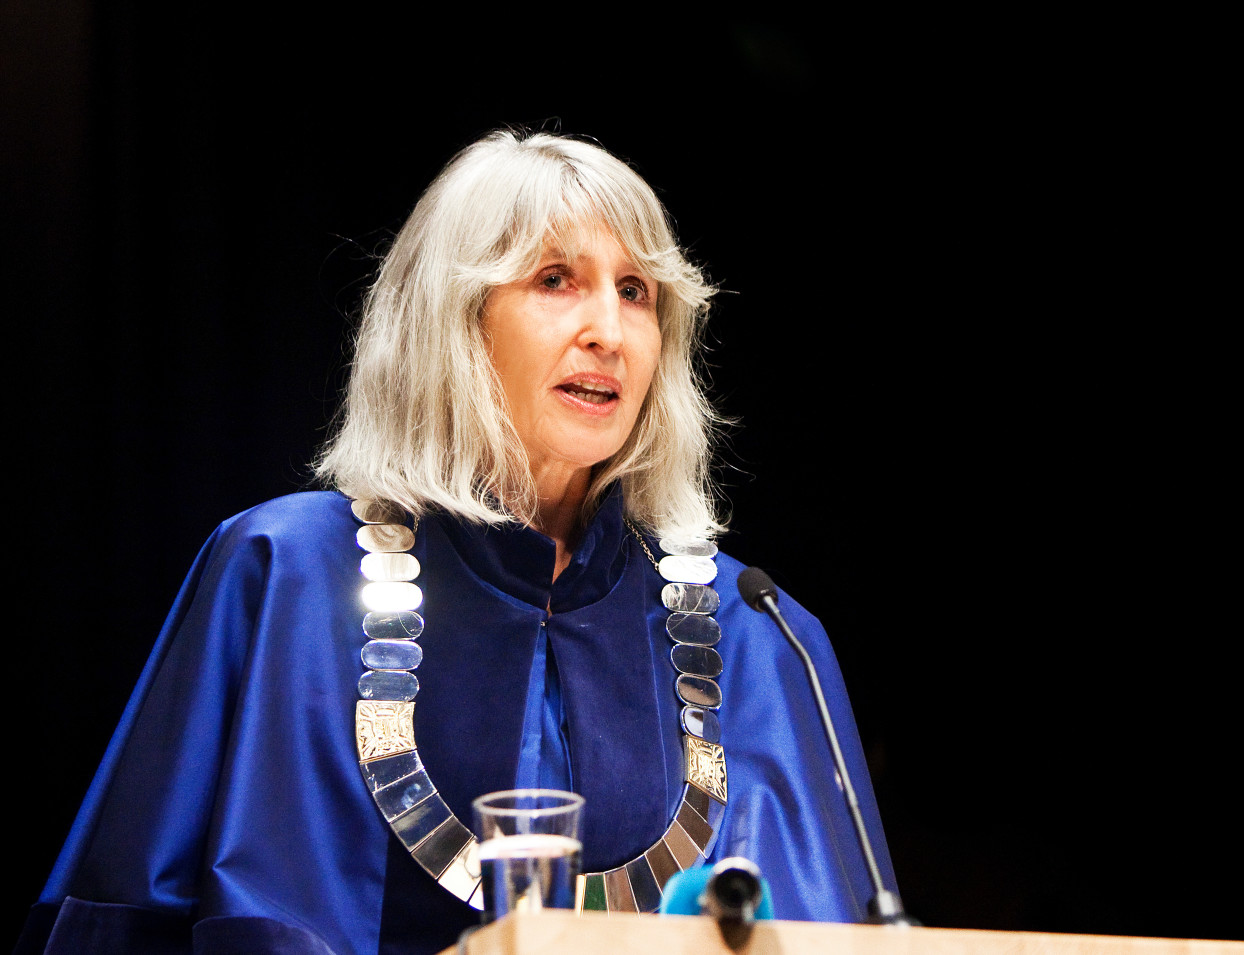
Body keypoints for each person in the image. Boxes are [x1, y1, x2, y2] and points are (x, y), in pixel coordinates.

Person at [17, 130, 897, 955]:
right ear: (454, 320)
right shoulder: (282, 574)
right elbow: (125, 921)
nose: (608, 330)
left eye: (636, 291)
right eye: (555, 278)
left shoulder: (754, 633)